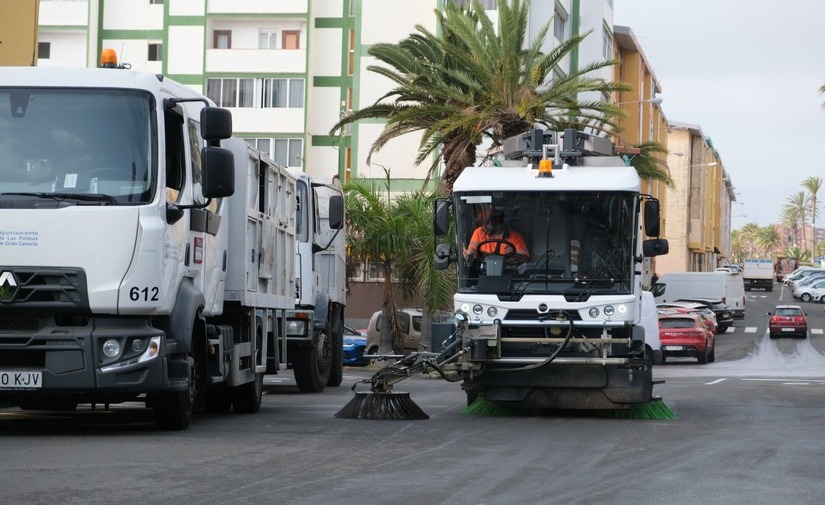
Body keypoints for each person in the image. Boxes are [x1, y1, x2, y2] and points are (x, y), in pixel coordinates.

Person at [463, 207, 529, 264]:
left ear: (498, 222)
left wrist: (515, 253)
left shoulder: (515, 237)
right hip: (483, 272)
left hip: (508, 273)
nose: (484, 227)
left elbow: (526, 259)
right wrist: (469, 253)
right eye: (483, 222)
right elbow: (472, 249)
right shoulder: (479, 232)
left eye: (487, 222)